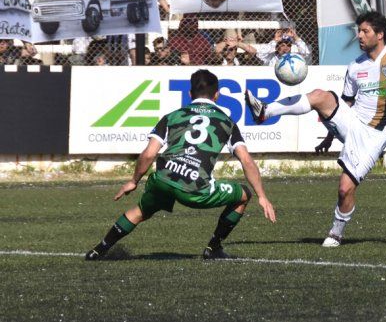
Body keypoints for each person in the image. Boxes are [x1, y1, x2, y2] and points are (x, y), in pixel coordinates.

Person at [244, 11, 386, 247]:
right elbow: (346, 105)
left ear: (380, 34)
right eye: (358, 31)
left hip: (375, 136)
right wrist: (330, 135)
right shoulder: (355, 67)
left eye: (365, 31)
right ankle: (265, 112)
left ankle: (336, 232)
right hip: (352, 122)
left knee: (345, 190)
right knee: (321, 96)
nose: (360, 36)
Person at [85, 69, 276, 260]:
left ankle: (98, 250)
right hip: (195, 189)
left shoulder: (172, 116)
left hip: (164, 178)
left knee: (141, 210)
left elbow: (149, 153)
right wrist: (262, 196)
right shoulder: (228, 122)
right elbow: (246, 160)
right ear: (217, 95)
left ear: (190, 94)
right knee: (243, 195)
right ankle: (214, 247)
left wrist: (133, 181)